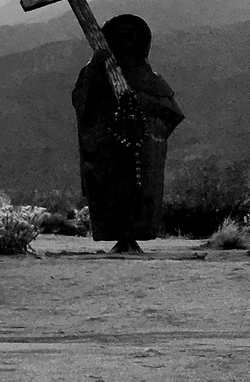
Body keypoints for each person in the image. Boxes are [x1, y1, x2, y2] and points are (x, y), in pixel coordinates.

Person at [72, 13, 182, 252]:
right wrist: (94, 68)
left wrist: (143, 112)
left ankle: (133, 235)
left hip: (142, 148)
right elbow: (81, 103)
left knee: (140, 189)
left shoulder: (150, 78)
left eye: (129, 35)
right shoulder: (96, 74)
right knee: (111, 189)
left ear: (140, 40)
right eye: (117, 35)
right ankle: (119, 236)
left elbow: (171, 113)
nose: (124, 40)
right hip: (107, 147)